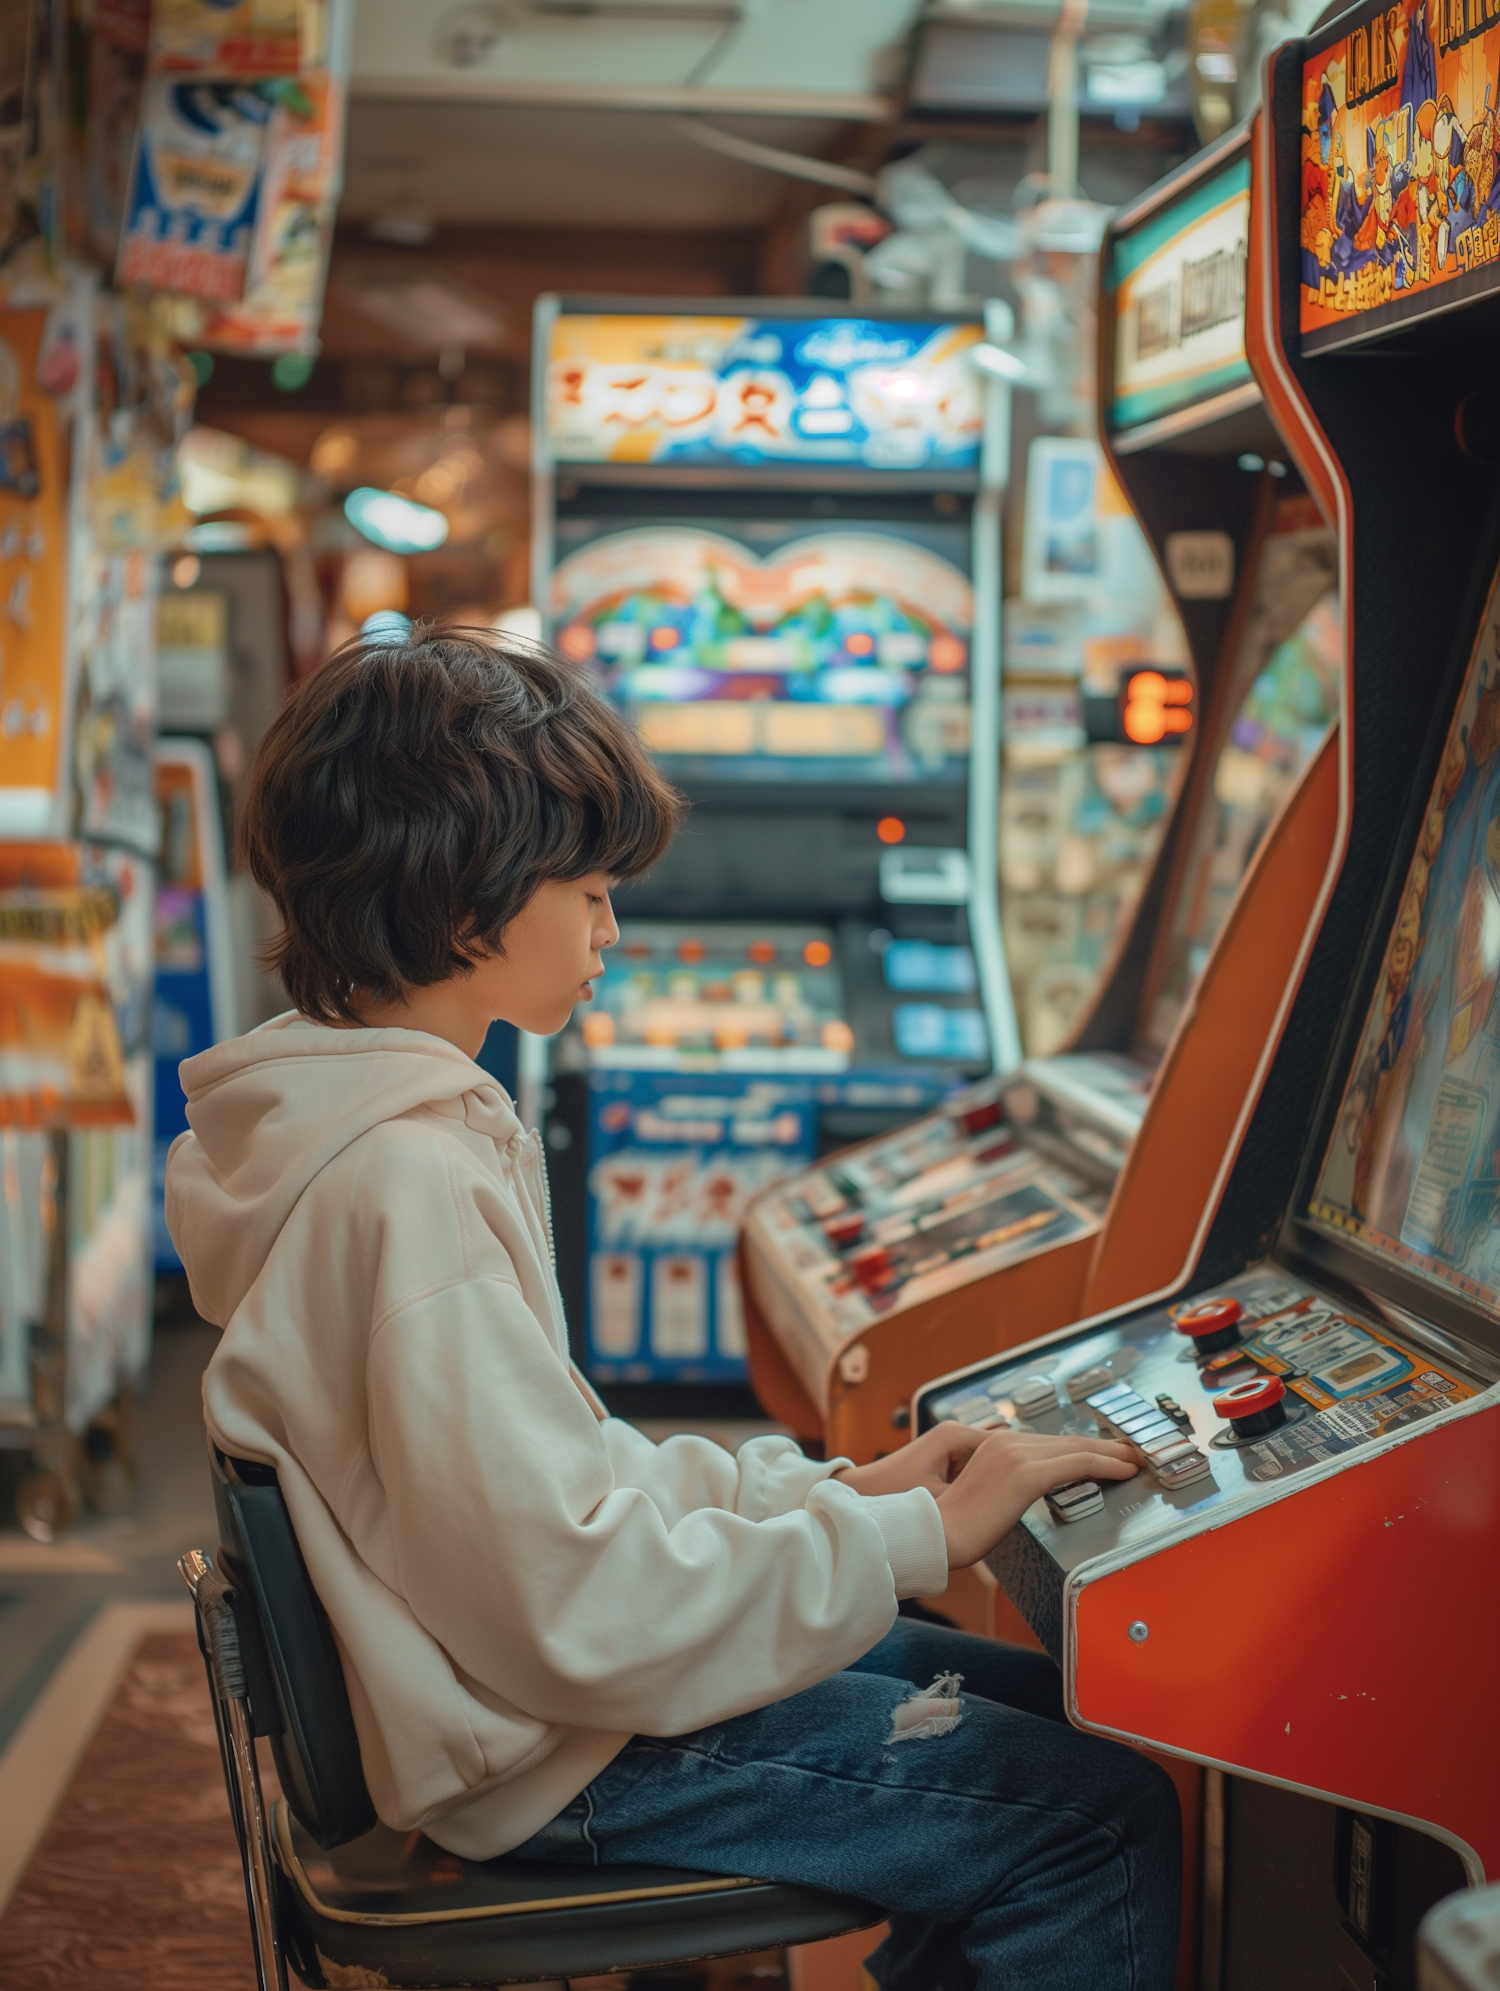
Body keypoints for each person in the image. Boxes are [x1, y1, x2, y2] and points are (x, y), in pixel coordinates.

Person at [168, 626, 1181, 1991]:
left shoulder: (366, 1124)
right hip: (554, 1753)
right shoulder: (402, 1178)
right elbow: (569, 1601)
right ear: (469, 902)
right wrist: (908, 1532)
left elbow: (558, 1491)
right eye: (586, 891)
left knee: (1033, 1706)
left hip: (525, 1694)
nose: (611, 929)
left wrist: (835, 1493)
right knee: (1090, 1817)